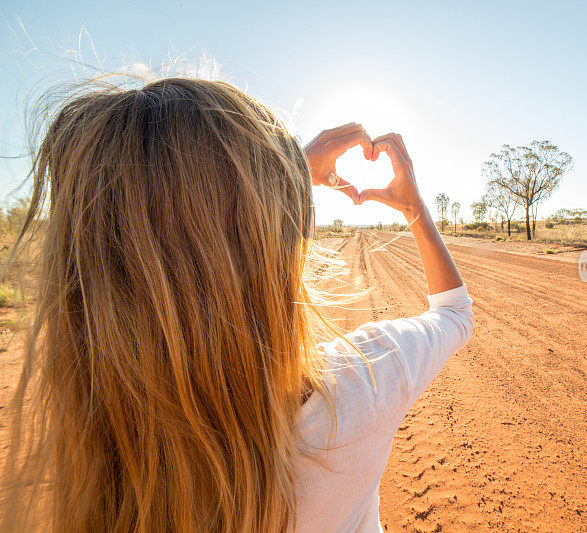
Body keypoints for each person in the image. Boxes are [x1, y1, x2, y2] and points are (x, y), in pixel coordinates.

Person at [0, 77, 472, 532]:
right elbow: (454, 313)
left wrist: (279, 179)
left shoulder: (107, 452)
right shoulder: (366, 384)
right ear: (288, 245)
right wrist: (413, 207)